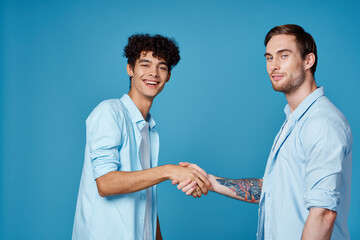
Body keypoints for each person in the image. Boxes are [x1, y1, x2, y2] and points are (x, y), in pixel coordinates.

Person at [176, 24, 352, 239]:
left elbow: (323, 213)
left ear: (308, 61)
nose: (274, 66)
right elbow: (271, 189)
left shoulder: (321, 123)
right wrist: (209, 181)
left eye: (283, 56)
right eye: (269, 58)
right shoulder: (295, 120)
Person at [72, 34, 211, 240]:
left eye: (162, 67)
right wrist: (169, 171)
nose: (153, 73)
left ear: (168, 76)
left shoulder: (150, 130)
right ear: (130, 69)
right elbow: (106, 183)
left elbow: (144, 198)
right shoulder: (109, 111)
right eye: (145, 64)